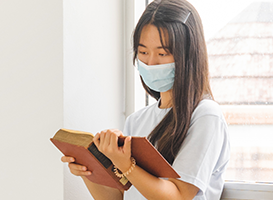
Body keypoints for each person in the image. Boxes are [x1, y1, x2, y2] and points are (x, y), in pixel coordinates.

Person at [61, 0, 230, 199]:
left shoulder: (206, 115)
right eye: (143, 52)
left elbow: (179, 196)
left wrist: (126, 165)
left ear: (188, 56)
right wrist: (89, 169)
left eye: (162, 53)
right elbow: (116, 197)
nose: (150, 62)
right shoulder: (136, 121)